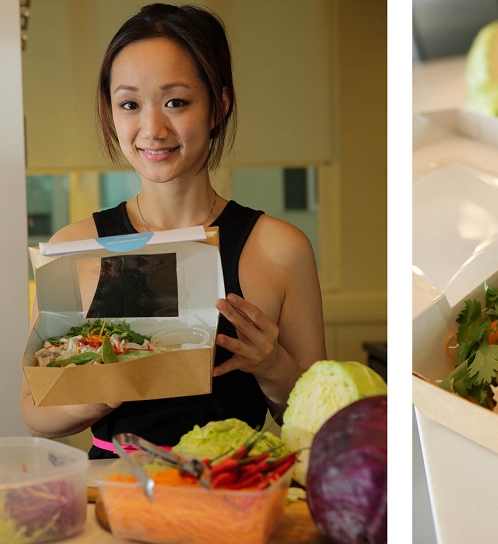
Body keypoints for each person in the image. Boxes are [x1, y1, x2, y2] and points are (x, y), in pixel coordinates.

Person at [19, 3, 327, 459]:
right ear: (111, 113)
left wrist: (272, 365)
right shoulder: (72, 251)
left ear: (218, 107)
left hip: (233, 495)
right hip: (116, 498)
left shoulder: (281, 249)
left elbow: (316, 420)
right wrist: (105, 386)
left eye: (176, 102)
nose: (152, 128)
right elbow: (33, 412)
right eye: (129, 104)